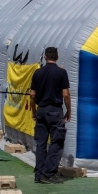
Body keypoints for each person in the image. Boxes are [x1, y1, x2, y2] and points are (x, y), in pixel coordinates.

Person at [30, 47, 71, 184]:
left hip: (41, 110)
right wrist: (69, 111)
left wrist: (34, 111)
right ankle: (48, 173)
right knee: (57, 142)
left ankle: (39, 173)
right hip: (55, 110)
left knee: (41, 143)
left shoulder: (38, 72)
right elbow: (66, 95)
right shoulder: (61, 73)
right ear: (57, 57)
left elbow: (32, 95)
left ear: (45, 57)